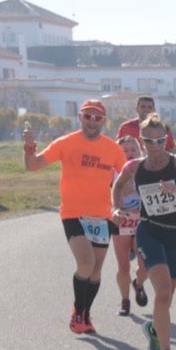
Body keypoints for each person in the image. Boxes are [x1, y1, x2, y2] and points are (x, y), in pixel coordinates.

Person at [23, 98, 128, 334]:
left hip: (102, 216)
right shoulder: (66, 143)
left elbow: (126, 179)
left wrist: (122, 206)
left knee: (96, 271)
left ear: (104, 121)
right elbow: (33, 165)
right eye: (88, 116)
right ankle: (77, 313)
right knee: (86, 263)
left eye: (97, 117)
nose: (92, 121)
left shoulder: (113, 148)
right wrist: (29, 148)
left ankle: (85, 314)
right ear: (80, 117)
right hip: (73, 214)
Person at [111, 114, 176, 350]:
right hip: (150, 231)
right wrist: (116, 208)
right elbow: (117, 186)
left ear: (166, 140)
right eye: (149, 141)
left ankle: (154, 330)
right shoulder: (135, 167)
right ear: (142, 141)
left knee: (168, 295)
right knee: (164, 290)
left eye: (160, 141)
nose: (155, 146)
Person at [111, 134, 151, 316]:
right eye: (124, 150)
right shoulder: (112, 171)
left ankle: (138, 283)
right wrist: (118, 198)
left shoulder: (147, 168)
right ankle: (125, 301)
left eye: (133, 149)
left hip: (142, 221)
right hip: (121, 221)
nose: (129, 153)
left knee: (145, 266)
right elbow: (104, 196)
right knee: (123, 266)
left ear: (140, 150)